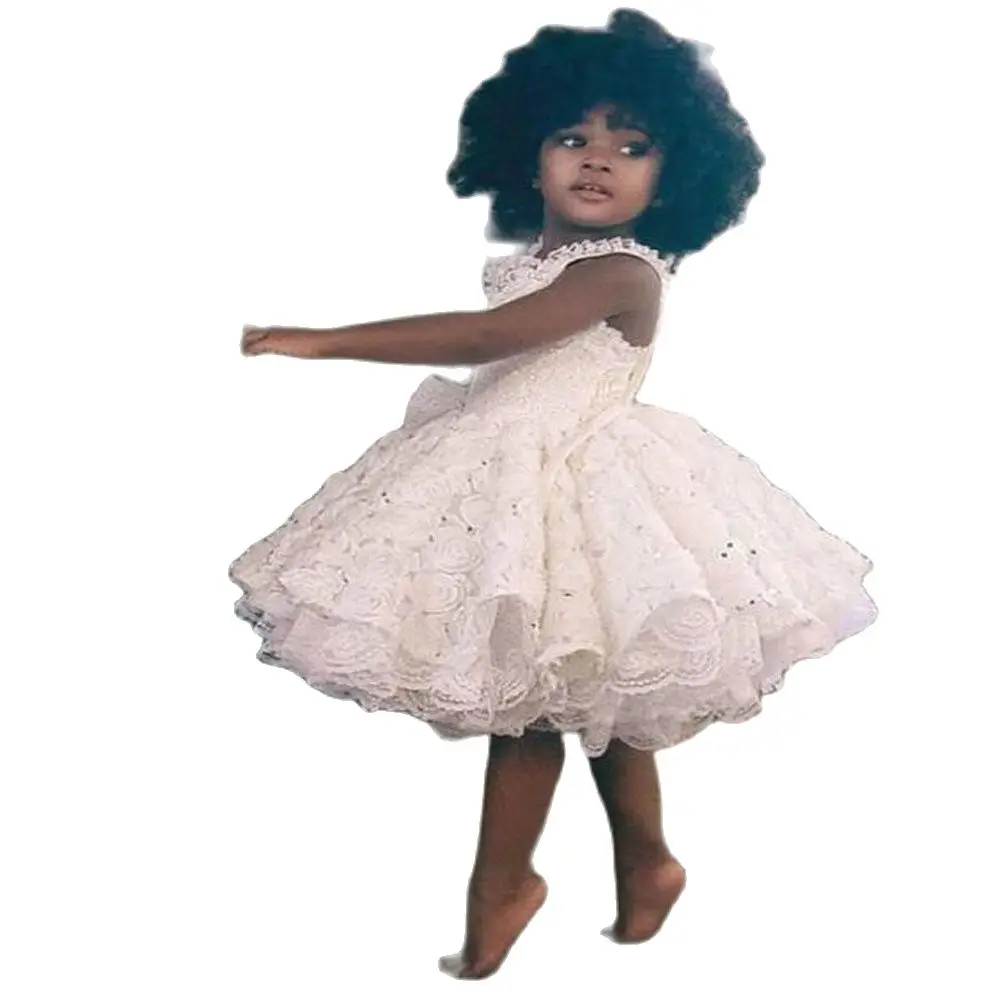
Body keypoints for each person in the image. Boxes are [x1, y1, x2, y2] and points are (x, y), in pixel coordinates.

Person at [230, 8, 878, 980]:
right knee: (588, 693)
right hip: (509, 486)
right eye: (571, 137)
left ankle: (505, 884)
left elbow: (489, 339)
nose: (598, 158)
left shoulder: (618, 271)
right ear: (526, 159)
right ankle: (642, 861)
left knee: (536, 702)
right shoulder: (540, 264)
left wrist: (315, 339)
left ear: (674, 177)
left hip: (584, 490)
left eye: (632, 145)